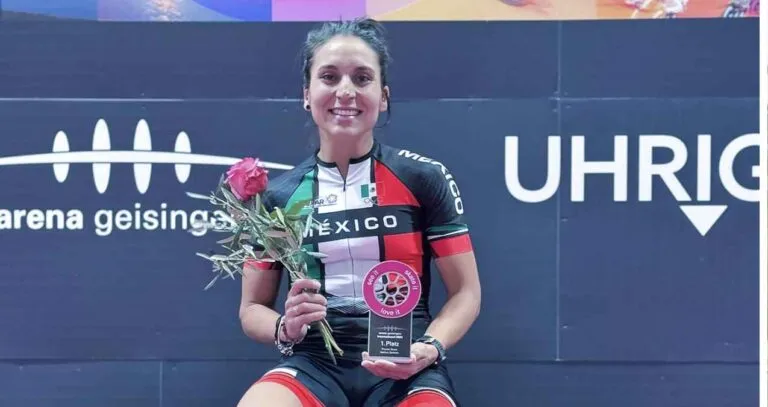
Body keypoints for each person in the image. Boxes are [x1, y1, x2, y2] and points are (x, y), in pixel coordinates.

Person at [235, 17, 481, 407]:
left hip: (406, 365)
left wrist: (430, 347)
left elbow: (466, 292)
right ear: (307, 94)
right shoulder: (279, 197)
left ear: (383, 96)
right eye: (329, 77)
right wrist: (285, 326)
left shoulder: (423, 178)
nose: (346, 91)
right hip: (314, 364)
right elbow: (251, 309)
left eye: (362, 78)